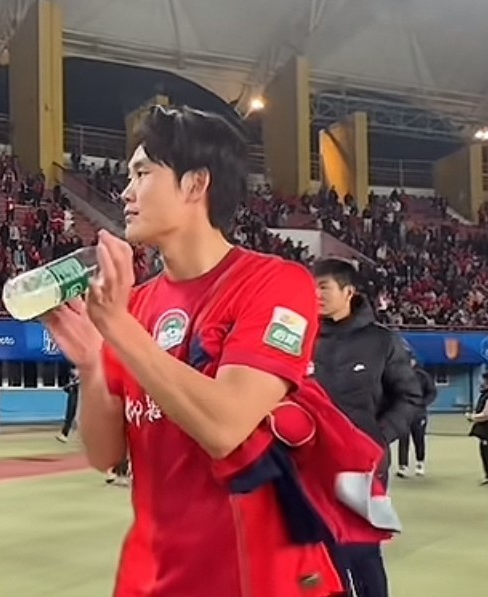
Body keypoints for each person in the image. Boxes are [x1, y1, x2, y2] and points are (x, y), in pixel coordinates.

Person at [42, 105, 394, 597]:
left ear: (195, 184)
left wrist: (118, 330)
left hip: (254, 577)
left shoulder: (276, 283)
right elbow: (106, 455)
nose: (125, 192)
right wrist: (91, 365)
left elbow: (226, 426)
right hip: (155, 576)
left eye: (142, 173)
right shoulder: (136, 304)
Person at [310, 257, 426, 478]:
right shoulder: (298, 337)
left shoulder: (381, 340)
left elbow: (409, 396)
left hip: (364, 464)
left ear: (348, 292)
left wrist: (378, 437)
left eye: (324, 287)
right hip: (304, 464)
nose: (316, 294)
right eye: (311, 287)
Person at [397, 356, 437, 478]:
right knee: (403, 438)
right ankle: (403, 466)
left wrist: (422, 403)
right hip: (403, 412)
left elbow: (432, 392)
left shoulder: (423, 376)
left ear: (414, 361)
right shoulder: (399, 376)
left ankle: (420, 463)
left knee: (418, 438)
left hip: (418, 412)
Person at [57, 368, 80, 442]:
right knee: (69, 414)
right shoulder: (72, 381)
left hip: (82, 396)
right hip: (73, 394)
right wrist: (69, 386)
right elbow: (65, 388)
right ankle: (64, 435)